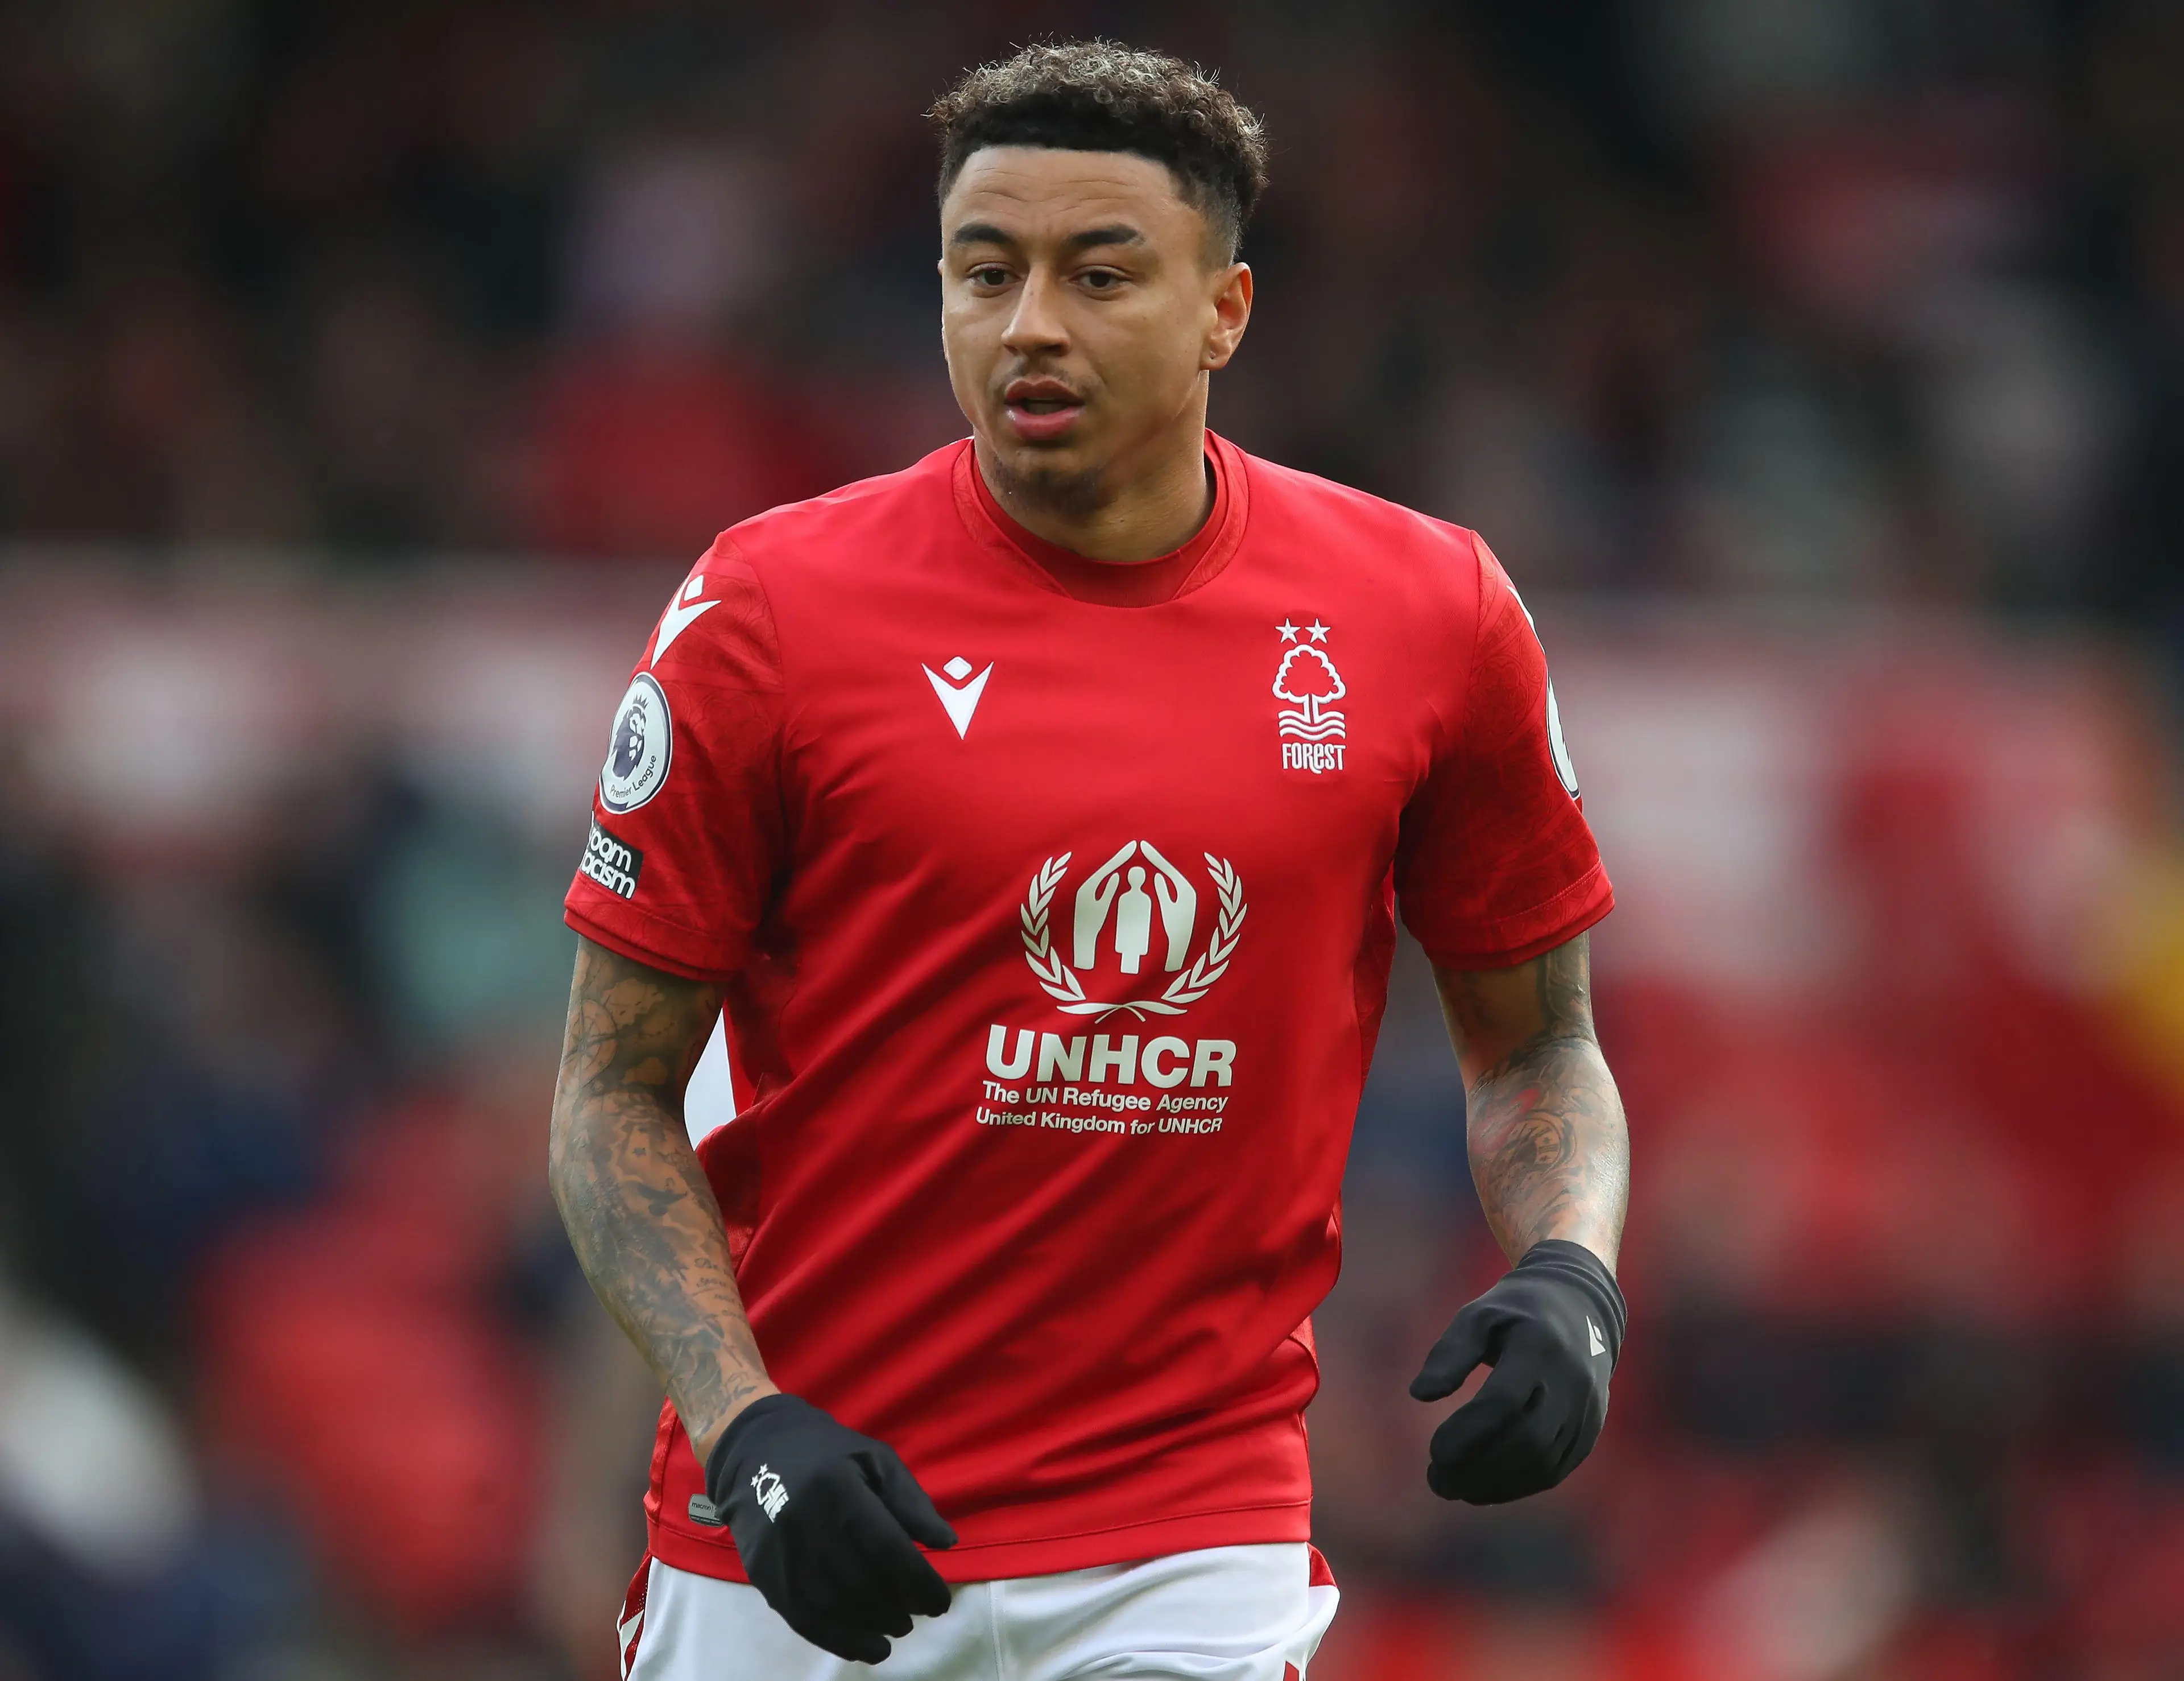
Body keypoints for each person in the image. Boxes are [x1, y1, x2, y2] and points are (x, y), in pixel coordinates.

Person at [552, 39, 1629, 1681]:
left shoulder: (1428, 617)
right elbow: (609, 1095)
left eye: (1097, 272)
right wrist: (746, 1428)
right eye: (983, 272)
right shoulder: (769, 610)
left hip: (1186, 1543)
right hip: (801, 1529)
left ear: (1227, 311)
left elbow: (1539, 1040)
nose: (1028, 323)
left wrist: (1570, 1274)